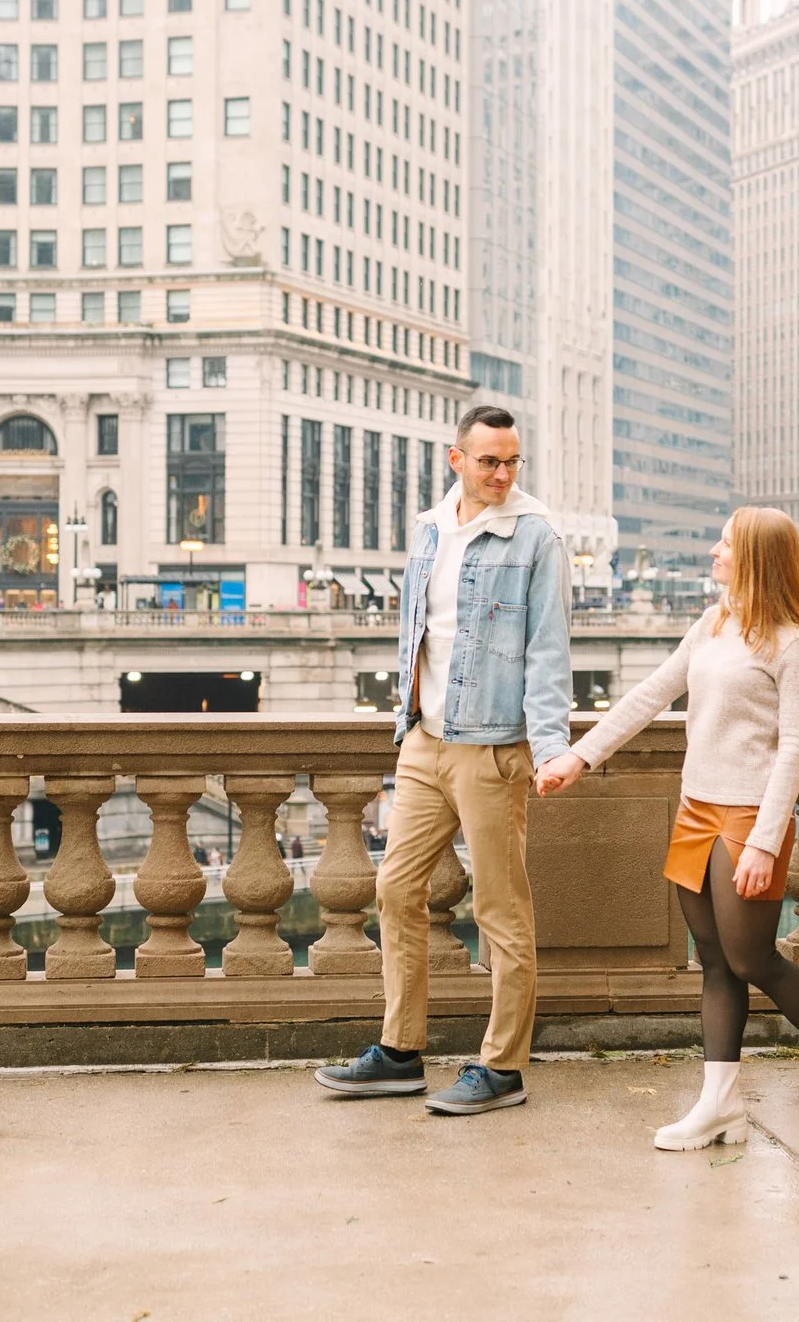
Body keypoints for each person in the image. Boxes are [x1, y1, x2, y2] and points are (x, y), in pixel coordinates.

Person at [535, 507, 799, 1150]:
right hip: (695, 809)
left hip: (748, 816)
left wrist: (764, 839)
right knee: (714, 962)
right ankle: (720, 1105)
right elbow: (649, 695)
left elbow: (795, 750)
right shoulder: (714, 623)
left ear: (756, 556)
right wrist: (579, 757)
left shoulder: (797, 645)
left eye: (726, 544)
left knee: (750, 957)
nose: (714, 551)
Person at [315, 406, 571, 1116]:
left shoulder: (537, 535)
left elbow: (550, 651)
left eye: (512, 461)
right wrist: (407, 716)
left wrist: (550, 746)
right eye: (489, 460)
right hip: (425, 741)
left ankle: (503, 1066)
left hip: (492, 746)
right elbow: (420, 631)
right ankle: (400, 1053)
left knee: (501, 911)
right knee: (395, 888)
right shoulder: (430, 528)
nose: (502, 474)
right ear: (457, 459)